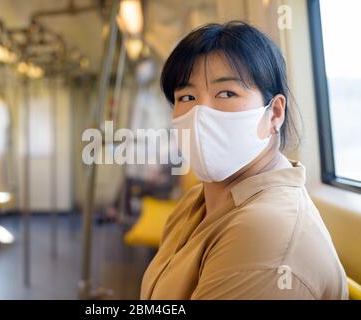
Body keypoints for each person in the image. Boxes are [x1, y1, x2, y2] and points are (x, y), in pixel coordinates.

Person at [140, 21, 348, 300]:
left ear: (274, 113)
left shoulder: (267, 235)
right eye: (187, 97)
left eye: (226, 93)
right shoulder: (195, 202)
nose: (200, 114)